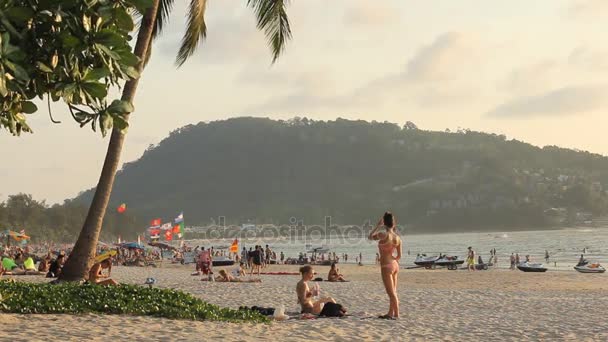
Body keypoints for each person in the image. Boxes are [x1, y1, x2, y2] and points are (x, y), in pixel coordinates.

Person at [369, 211, 402, 319]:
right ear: (393, 223)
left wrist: (378, 226)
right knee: (394, 292)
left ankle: (396, 315)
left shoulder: (383, 235)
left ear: (385, 223)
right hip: (395, 265)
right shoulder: (397, 238)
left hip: (386, 266)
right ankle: (390, 313)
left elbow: (370, 237)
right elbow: (399, 256)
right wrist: (393, 260)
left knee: (391, 293)